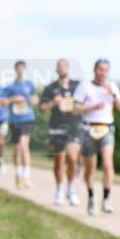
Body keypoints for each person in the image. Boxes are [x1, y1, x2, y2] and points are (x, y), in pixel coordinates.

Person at [73, 58, 120, 215]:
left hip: (106, 129)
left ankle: (106, 199)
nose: (103, 73)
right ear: (94, 70)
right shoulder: (85, 86)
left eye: (105, 70)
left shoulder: (112, 87)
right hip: (89, 128)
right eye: (100, 69)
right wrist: (91, 107)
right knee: (90, 166)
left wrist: (114, 95)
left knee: (108, 164)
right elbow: (75, 108)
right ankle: (91, 198)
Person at [40, 59, 83, 206]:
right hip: (57, 127)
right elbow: (43, 108)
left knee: (72, 157)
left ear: (68, 68)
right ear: (56, 69)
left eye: (64, 66)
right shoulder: (50, 88)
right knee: (59, 161)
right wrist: (54, 103)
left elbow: (84, 103)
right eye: (59, 66)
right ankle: (59, 190)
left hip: (74, 125)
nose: (61, 69)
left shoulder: (77, 86)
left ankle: (70, 189)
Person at [4, 60, 39, 188]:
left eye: (22, 68)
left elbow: (35, 99)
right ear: (15, 70)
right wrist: (13, 99)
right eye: (18, 68)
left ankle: (27, 177)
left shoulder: (29, 85)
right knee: (17, 149)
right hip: (15, 120)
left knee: (25, 145)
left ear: (24, 70)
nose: (20, 70)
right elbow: (3, 102)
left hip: (27, 119)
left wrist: (26, 99)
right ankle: (18, 176)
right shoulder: (10, 87)